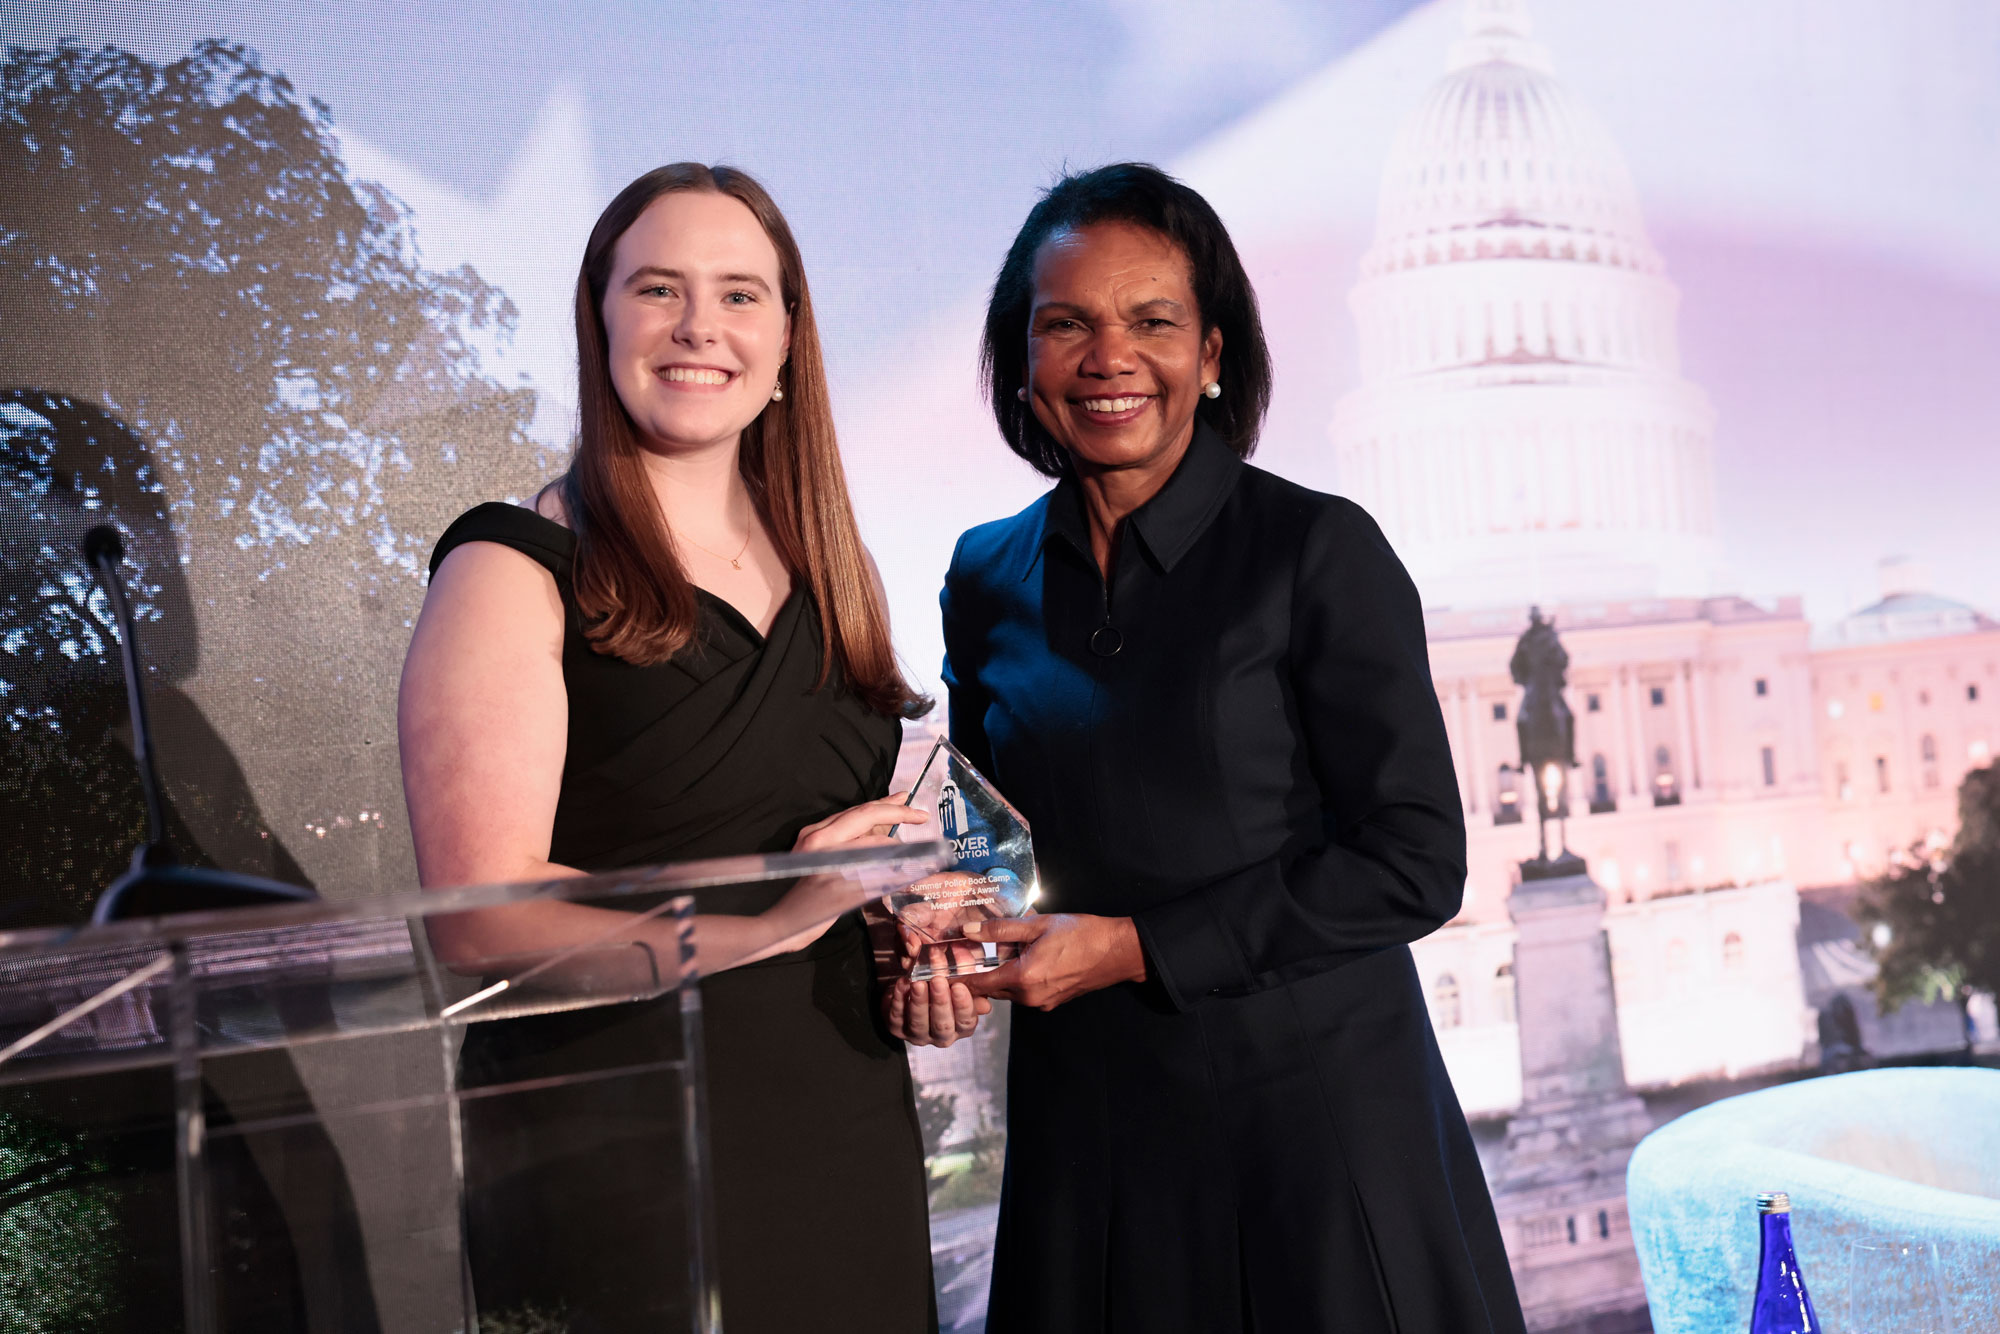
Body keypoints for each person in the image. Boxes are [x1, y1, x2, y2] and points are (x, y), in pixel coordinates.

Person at [398, 163, 981, 1333]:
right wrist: (774, 922)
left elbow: (835, 861)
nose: (699, 326)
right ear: (600, 319)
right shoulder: (509, 567)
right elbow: (481, 917)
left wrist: (913, 930)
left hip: (840, 1122)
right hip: (618, 1151)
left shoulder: (832, 575)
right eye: (658, 288)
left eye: (739, 294)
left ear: (785, 343)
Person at [945, 164, 1527, 1333]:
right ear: (1021, 360)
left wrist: (1128, 947)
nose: (1110, 356)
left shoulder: (1317, 549)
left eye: (1151, 321)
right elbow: (988, 840)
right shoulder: (981, 574)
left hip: (1309, 1141)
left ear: (1211, 354)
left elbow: (1412, 859)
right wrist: (935, 927)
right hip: (1088, 1136)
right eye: (1066, 324)